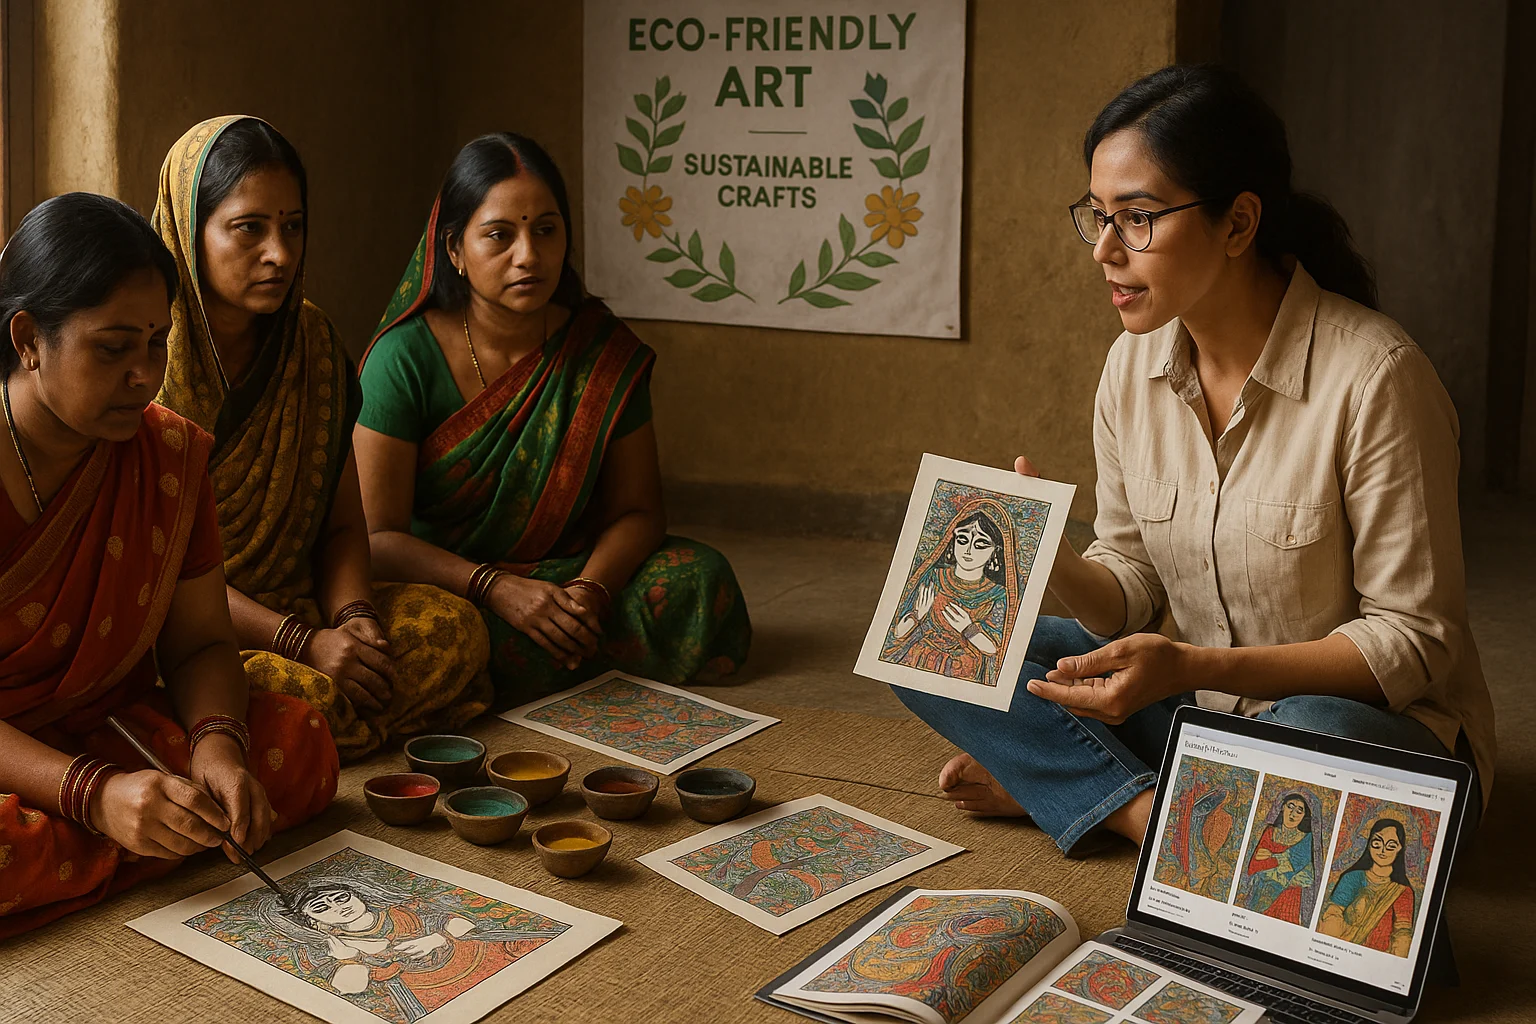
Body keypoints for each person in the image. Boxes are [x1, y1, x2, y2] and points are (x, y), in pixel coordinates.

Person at [895, 64, 1495, 857]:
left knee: (1304, 728)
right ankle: (1152, 818)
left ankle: (1080, 786)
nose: (1106, 249)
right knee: (932, 637)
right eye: (1098, 216)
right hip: (1202, 715)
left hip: (1372, 734)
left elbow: (1413, 644)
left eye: (1138, 218)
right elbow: (1132, 590)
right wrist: (1055, 560)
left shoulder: (1377, 378)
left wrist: (1185, 667)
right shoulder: (1130, 367)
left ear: (1238, 224)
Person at [0, 192, 337, 939]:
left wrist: (218, 745)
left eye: (157, 343)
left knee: (298, 743)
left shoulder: (167, 454)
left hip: (104, 729)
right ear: (28, 338)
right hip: (27, 761)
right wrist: (94, 796)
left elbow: (200, 643)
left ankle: (113, 843)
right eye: (113, 348)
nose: (144, 375)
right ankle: (122, 837)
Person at [353, 132, 750, 706]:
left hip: (567, 572)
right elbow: (376, 539)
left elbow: (640, 511)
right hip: (451, 583)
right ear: (455, 250)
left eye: (546, 229)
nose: (528, 256)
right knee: (441, 634)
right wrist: (496, 589)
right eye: (498, 235)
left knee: (699, 578)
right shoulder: (404, 358)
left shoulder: (601, 350)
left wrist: (590, 590)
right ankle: (556, 651)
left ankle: (551, 645)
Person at [152, 116, 492, 761]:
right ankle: (321, 728)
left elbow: (340, 528)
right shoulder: (148, 363)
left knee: (455, 629)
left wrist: (353, 618)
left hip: (304, 605)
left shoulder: (310, 345)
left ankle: (325, 729)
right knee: (274, 690)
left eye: (293, 226)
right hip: (187, 631)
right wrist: (301, 644)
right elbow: (162, 577)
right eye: (248, 228)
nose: (280, 253)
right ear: (186, 231)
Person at [881, 499, 1016, 686]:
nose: (968, 550)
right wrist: (918, 615)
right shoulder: (935, 578)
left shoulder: (996, 593)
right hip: (919, 657)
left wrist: (968, 628)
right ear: (952, 542)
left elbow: (994, 649)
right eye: (962, 540)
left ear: (995, 551)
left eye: (980, 544)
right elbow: (897, 633)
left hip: (964, 668)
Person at [1318, 819, 1416, 956]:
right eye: (1377, 843)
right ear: (1369, 844)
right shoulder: (1352, 878)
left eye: (1390, 846)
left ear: (1400, 849)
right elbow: (1333, 913)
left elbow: (1402, 933)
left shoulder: (1402, 892)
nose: (1382, 850)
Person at [1240, 793, 1315, 922]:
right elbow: (1253, 867)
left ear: (1304, 816)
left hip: (1289, 897)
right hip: (1260, 891)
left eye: (1299, 811)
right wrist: (1280, 862)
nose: (1293, 814)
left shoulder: (1307, 839)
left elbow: (1302, 872)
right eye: (1290, 807)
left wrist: (1271, 858)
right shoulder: (1270, 832)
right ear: (1282, 808)